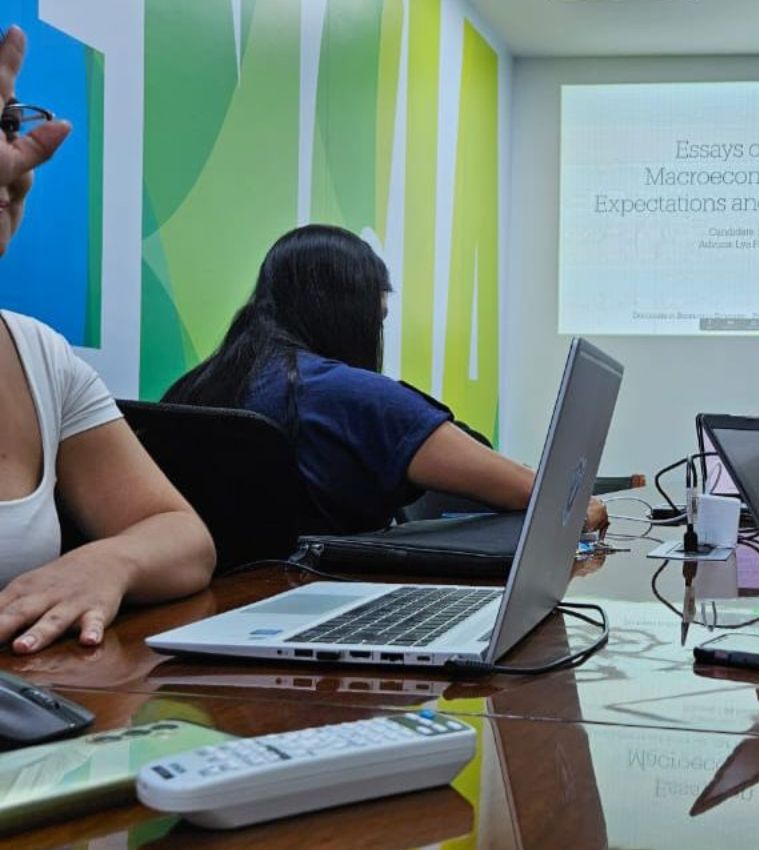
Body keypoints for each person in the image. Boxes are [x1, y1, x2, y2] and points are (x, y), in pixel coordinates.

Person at [164, 224, 607, 536]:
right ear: (351, 316)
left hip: (199, 614)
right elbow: (543, 498)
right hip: (323, 607)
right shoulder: (349, 396)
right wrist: (584, 507)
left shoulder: (193, 389)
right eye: (378, 320)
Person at [0, 26, 216, 654]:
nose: (12, 163)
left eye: (8, 128)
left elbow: (183, 538)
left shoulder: (39, 353)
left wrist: (108, 562)